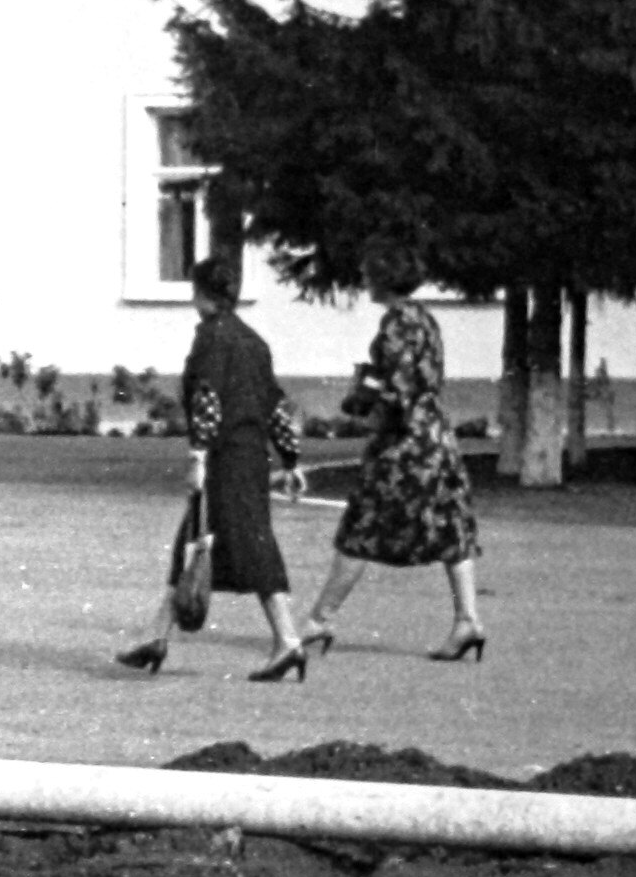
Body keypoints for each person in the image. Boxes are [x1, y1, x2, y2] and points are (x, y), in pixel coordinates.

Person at [290, 245, 486, 667]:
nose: (364, 281)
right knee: (451, 528)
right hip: (437, 438)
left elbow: (396, 390)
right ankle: (468, 619)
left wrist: (362, 402)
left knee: (360, 527)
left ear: (383, 279)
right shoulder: (426, 319)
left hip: (403, 444)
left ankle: (319, 620)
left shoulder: (396, 323)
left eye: (368, 275)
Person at [116, 253, 305, 676]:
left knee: (247, 546)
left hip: (224, 460)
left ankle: (288, 640)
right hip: (252, 459)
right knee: (199, 542)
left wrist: (198, 456)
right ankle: (156, 635)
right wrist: (291, 459)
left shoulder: (211, 338)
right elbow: (275, 405)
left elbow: (207, 400)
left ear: (201, 293)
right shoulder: (254, 342)